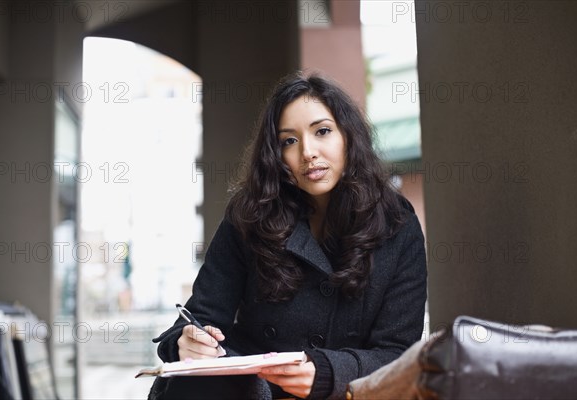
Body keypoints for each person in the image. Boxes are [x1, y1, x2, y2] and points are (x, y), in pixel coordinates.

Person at [148, 72, 427, 400]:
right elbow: (201, 316)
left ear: (348, 136)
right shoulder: (250, 215)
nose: (308, 152)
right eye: (288, 141)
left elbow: (398, 354)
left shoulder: (396, 223)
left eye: (322, 131)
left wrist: (327, 373)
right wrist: (187, 340)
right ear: (276, 155)